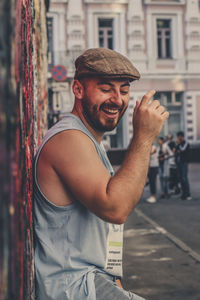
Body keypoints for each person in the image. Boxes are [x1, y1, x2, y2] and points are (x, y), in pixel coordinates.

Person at [33, 48, 169, 300]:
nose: (117, 99)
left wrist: (113, 276)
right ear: (78, 90)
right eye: (106, 89)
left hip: (92, 280)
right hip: (72, 287)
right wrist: (144, 136)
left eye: (124, 90)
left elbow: (107, 226)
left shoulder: (89, 140)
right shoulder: (69, 138)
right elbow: (115, 209)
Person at [175, 131, 192, 200]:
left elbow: (182, 149)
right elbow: (175, 151)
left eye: (179, 136)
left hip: (184, 163)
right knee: (181, 178)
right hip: (179, 163)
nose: (178, 138)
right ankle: (183, 194)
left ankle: (188, 194)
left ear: (182, 137)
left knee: (184, 178)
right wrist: (178, 146)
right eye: (178, 137)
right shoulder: (179, 144)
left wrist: (178, 145)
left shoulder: (186, 143)